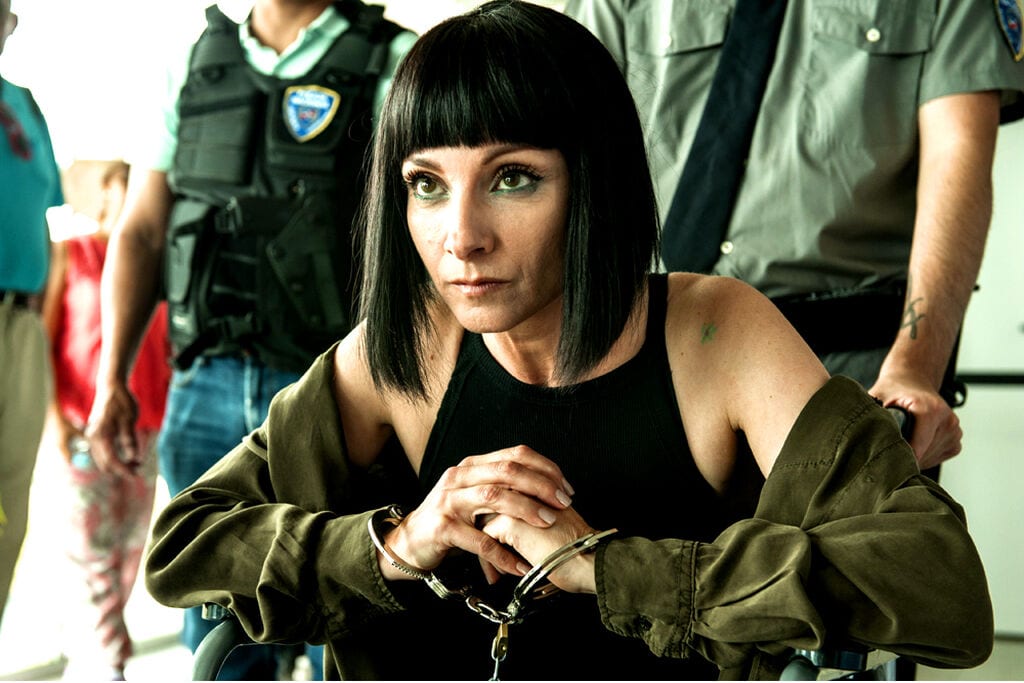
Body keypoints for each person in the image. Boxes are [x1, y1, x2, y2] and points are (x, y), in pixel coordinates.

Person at [143, 2, 994, 680]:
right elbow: (185, 545)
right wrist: (396, 543)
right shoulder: (404, 347)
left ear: (595, 183)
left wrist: (606, 568)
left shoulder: (716, 333)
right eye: (426, 185)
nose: (461, 237)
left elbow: (937, 583)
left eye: (513, 178)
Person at [84, 0, 415, 679]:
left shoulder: (395, 60)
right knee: (220, 629)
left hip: (341, 397)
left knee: (346, 614)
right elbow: (142, 230)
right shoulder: (191, 61)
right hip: (203, 388)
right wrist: (110, 377)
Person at [564, 0, 1024, 475]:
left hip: (851, 364)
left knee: (846, 522)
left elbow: (956, 161)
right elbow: (563, 138)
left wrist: (916, 367)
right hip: (649, 354)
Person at [40, 159, 171, 681]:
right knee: (89, 554)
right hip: (82, 425)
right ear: (103, 193)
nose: (124, 195)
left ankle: (96, 656)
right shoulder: (71, 253)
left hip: (146, 426)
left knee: (130, 553)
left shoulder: (158, 265)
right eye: (117, 185)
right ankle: (108, 663)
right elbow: (46, 337)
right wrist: (54, 421)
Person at [0, 0, 64, 628]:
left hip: (19, 322)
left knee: (8, 504)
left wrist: (39, 319)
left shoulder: (23, 103)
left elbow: (43, 217)